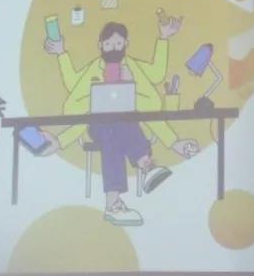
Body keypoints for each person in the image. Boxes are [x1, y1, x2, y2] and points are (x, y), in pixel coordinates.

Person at [40, 19, 199, 226]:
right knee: (111, 129)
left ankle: (113, 203)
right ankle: (146, 164)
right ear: (100, 45)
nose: (113, 48)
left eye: (118, 44)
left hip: (125, 124)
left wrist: (163, 39)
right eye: (108, 44)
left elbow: (157, 75)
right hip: (97, 125)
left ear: (126, 43)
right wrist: (61, 53)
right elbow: (72, 85)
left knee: (117, 132)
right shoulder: (94, 68)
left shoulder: (132, 66)